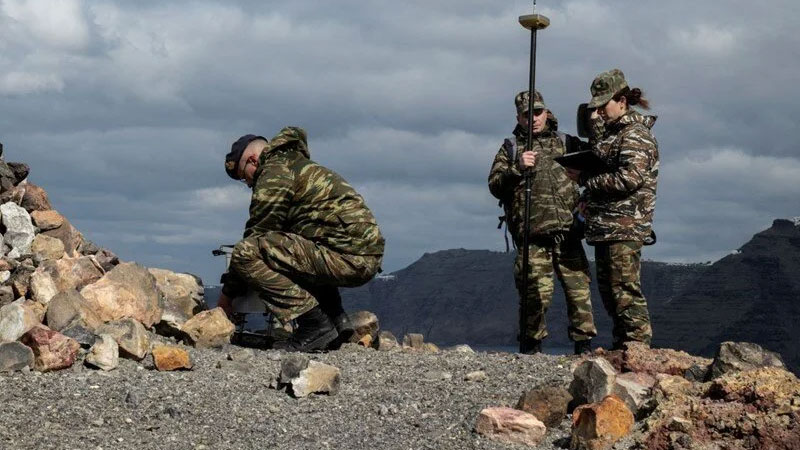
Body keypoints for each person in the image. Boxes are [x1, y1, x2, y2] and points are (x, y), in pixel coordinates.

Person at [218, 126, 385, 352]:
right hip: (361, 256)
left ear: (253, 161)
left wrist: (227, 296)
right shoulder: (297, 165)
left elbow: (257, 234)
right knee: (294, 248)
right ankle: (337, 322)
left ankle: (314, 324)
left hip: (348, 257)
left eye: (243, 177)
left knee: (246, 252)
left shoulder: (274, 173)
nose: (248, 184)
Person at [488, 90, 596, 355]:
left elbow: (594, 167)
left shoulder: (567, 143)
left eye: (538, 112)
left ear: (546, 112)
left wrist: (587, 201)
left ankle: (584, 347)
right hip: (532, 237)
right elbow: (495, 185)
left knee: (579, 292)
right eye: (527, 114)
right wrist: (517, 169)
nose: (534, 118)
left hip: (569, 233)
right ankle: (531, 346)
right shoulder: (511, 148)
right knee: (534, 295)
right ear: (519, 118)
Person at [566, 68, 659, 349]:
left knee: (624, 292)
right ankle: (625, 349)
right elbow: (605, 159)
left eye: (603, 106)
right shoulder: (615, 134)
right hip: (607, 226)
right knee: (610, 293)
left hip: (624, 226)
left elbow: (629, 178)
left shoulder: (635, 135)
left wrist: (585, 179)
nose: (600, 113)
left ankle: (638, 349)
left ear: (622, 100)